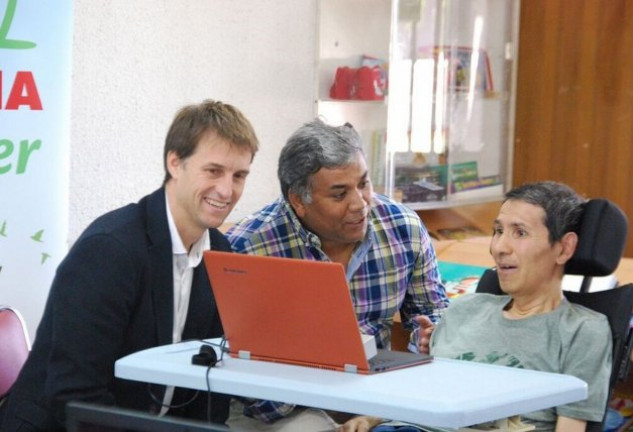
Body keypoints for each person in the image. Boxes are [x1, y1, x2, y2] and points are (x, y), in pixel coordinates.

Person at [0, 100, 259, 431]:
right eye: (213, 171)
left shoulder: (220, 254)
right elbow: (76, 394)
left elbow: (208, 382)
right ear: (175, 163)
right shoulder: (111, 249)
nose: (226, 190)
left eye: (239, 176)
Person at [225, 119, 449, 430]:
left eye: (364, 184)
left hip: (375, 393)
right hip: (282, 402)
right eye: (339, 194)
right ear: (298, 200)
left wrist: (427, 339)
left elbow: (431, 312)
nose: (360, 204)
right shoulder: (248, 246)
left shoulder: (402, 227)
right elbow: (234, 365)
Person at [340, 181, 613, 432]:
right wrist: (371, 418)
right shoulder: (465, 308)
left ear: (564, 248)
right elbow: (423, 393)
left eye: (520, 232)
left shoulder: (582, 330)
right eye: (498, 231)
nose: (499, 247)